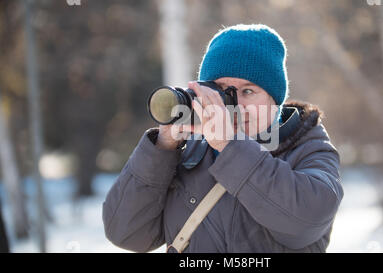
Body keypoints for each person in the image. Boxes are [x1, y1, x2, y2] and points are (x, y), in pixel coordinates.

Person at [102, 24, 343, 253]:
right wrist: (162, 148)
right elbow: (126, 232)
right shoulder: (191, 150)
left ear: (275, 99)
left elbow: (305, 223)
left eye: (247, 91)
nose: (233, 104)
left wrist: (229, 145)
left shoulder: (310, 148)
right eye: (221, 90)